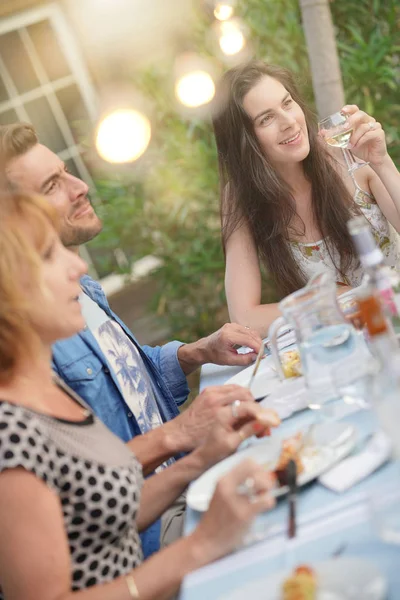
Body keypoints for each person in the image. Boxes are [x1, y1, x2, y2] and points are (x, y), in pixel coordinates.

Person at [0, 122, 265, 557]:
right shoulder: (27, 340)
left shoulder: (78, 289)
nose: (80, 186)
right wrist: (181, 434)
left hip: (183, 483)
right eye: (52, 185)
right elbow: (77, 489)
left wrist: (195, 352)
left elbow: (127, 378)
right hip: (148, 532)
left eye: (66, 171)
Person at [212, 61, 400, 336]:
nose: (289, 122)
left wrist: (382, 162)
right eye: (266, 119)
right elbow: (245, 318)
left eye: (287, 104)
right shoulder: (241, 198)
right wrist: (329, 299)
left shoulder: (345, 149)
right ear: (245, 142)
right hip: (353, 340)